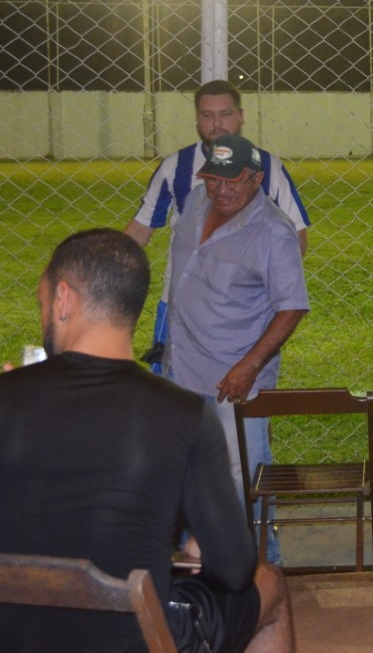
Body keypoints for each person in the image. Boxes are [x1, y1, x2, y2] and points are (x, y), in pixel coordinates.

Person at [0, 228, 294, 653]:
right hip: (136, 639)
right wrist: (196, 547)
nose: (43, 313)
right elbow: (234, 570)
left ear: (64, 299)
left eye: (42, 302)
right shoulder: (183, 413)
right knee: (269, 582)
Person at [165, 134, 310, 563]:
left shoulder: (273, 232)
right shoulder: (195, 202)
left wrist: (249, 366)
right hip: (181, 370)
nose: (222, 190)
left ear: (257, 179)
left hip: (233, 382)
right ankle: (193, 568)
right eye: (214, 179)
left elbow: (292, 307)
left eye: (234, 180)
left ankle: (264, 571)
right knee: (186, 474)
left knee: (243, 479)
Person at [124, 80, 310, 372]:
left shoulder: (269, 167)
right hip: (180, 305)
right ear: (197, 119)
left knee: (239, 386)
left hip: (243, 310)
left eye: (225, 113)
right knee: (173, 392)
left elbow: (297, 237)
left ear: (241, 116)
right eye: (207, 115)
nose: (217, 123)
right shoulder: (176, 166)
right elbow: (139, 231)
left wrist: (253, 290)